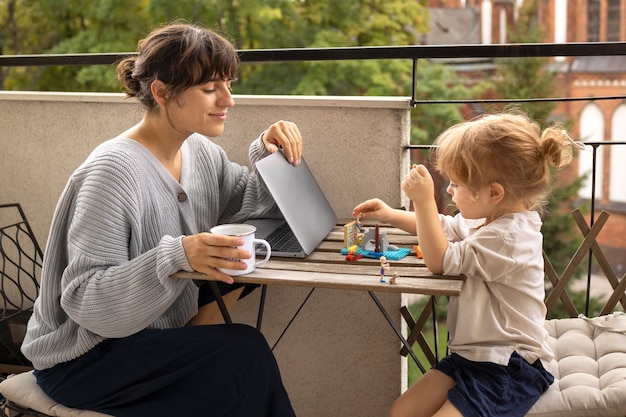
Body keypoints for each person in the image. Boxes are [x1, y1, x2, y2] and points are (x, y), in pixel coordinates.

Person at [21, 22, 301, 417]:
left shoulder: (201, 153)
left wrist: (268, 153)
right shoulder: (113, 172)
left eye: (228, 84)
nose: (228, 100)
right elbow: (86, 301)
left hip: (149, 336)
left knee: (240, 278)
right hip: (83, 358)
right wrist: (175, 256)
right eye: (209, 89)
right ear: (162, 92)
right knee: (242, 352)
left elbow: (255, 208)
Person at [353, 112, 582, 417]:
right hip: (471, 356)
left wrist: (424, 201)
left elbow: (440, 260)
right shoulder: (489, 219)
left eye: (456, 184)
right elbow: (443, 226)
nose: (449, 190)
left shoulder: (510, 238)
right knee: (402, 411)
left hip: (508, 366)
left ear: (493, 193)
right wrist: (391, 215)